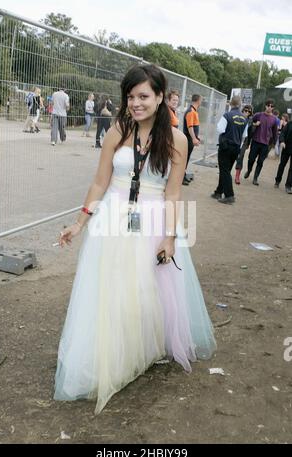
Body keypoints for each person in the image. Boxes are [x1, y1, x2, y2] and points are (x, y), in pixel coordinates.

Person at [54, 64, 216, 415]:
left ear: (160, 97)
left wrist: (170, 238)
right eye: (130, 97)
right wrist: (79, 224)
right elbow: (99, 182)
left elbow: (173, 194)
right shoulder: (117, 131)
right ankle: (109, 357)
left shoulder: (176, 140)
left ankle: (140, 349)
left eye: (143, 96)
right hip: (112, 217)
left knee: (145, 291)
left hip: (152, 222)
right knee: (110, 290)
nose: (135, 103)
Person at [211, 95, 248, 204]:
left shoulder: (227, 115)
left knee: (224, 171)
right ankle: (218, 192)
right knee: (226, 170)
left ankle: (229, 195)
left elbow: (220, 129)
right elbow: (244, 135)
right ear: (240, 105)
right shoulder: (244, 119)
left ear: (231, 104)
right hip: (236, 148)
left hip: (226, 147)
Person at [244, 99, 278, 186]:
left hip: (265, 144)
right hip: (255, 141)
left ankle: (255, 178)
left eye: (272, 106)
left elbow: (275, 132)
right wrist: (255, 124)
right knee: (251, 159)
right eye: (268, 105)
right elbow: (250, 123)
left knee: (260, 162)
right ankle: (249, 170)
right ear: (266, 106)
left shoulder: (274, 119)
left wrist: (274, 143)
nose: (270, 107)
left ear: (273, 108)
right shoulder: (258, 115)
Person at [182, 94, 202, 185]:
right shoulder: (190, 111)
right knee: (184, 159)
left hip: (191, 139)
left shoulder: (194, 111)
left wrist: (197, 137)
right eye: (201, 100)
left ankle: (183, 174)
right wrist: (194, 138)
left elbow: (194, 126)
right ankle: (181, 177)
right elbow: (190, 127)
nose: (201, 102)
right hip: (188, 139)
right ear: (198, 100)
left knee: (187, 158)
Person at [234, 105, 253, 185]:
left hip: (244, 141)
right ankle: (226, 172)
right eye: (245, 110)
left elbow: (250, 133)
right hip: (235, 139)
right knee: (232, 155)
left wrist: (248, 143)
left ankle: (237, 176)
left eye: (249, 111)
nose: (246, 112)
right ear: (242, 110)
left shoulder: (250, 121)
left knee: (240, 157)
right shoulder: (236, 117)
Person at [274, 117, 292, 194]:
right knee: (282, 165)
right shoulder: (289, 124)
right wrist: (282, 141)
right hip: (286, 147)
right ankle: (277, 181)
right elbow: (283, 133)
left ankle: (288, 185)